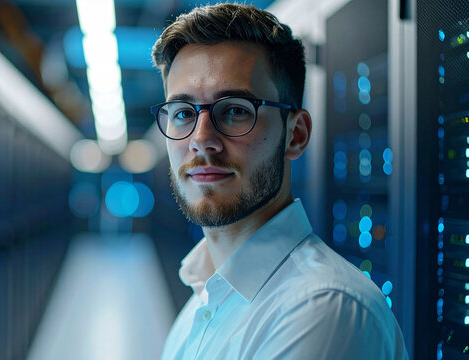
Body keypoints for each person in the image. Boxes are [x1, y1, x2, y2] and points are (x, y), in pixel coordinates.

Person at [150, 4, 408, 359]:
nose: (201, 138)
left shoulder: (322, 310)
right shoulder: (204, 298)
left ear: (295, 135)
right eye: (182, 113)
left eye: (236, 110)